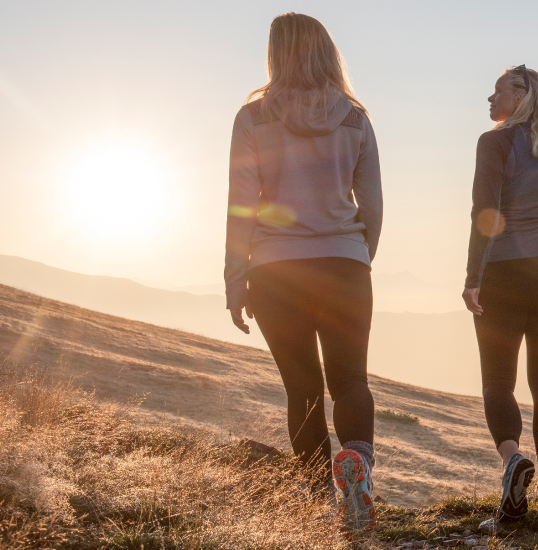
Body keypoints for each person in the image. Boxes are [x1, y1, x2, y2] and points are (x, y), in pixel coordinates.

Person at [224, 12, 381, 538]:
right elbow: (373, 205)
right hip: (344, 265)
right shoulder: (355, 117)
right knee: (351, 380)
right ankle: (357, 477)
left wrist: (234, 277)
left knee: (303, 386)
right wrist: (360, 256)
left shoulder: (253, 118)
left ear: (275, 52)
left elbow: (241, 207)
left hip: (274, 270)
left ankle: (316, 501)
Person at [462, 65, 538, 524]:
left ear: (523, 95)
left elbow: (484, 211)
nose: (489, 101)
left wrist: (474, 275)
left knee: (498, 381)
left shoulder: (493, 143)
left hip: (505, 274)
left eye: (498, 93)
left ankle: (513, 462)